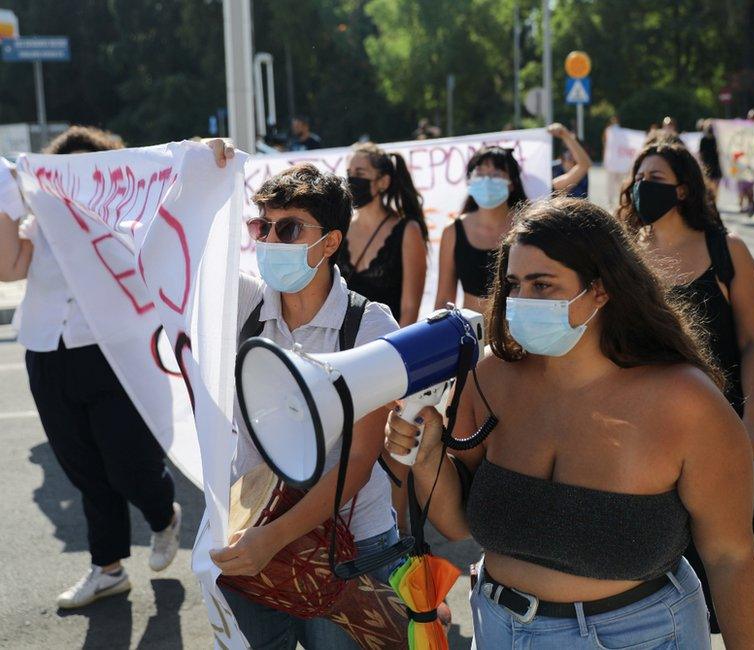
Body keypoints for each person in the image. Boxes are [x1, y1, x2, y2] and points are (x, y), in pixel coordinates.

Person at [387, 197, 754, 649]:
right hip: (498, 629)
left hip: (639, 636)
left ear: (601, 290)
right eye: (514, 284)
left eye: (543, 285)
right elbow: (458, 525)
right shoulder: (489, 378)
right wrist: (428, 457)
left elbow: (731, 557)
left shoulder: (687, 402)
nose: (521, 300)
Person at [208, 143, 403, 648]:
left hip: (349, 547)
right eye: (262, 227)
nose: (269, 239)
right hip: (251, 537)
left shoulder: (370, 324)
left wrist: (272, 540)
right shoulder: (247, 303)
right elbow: (179, 249)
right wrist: (204, 173)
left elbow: (360, 460)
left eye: (288, 228)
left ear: (331, 241)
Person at [618, 139, 754, 633]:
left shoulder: (726, 249)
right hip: (656, 428)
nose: (642, 189)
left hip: (727, 418)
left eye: (655, 180)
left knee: (751, 527)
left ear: (684, 189)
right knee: (675, 549)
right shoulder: (626, 258)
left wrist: (752, 416)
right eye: (638, 178)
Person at [0, 126, 180, 609]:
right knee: (81, 464)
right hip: (46, 347)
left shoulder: (128, 220)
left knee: (129, 463)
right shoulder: (39, 222)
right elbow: (9, 268)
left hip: (114, 351)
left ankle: (162, 516)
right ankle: (108, 569)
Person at [338, 142, 428, 326]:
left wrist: (394, 352)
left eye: (360, 173)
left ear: (383, 182)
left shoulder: (407, 230)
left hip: (388, 345)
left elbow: (410, 309)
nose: (352, 180)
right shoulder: (341, 226)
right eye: (349, 173)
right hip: (343, 347)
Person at [434, 145, 528, 312]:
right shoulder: (453, 231)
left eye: (496, 174)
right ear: (470, 180)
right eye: (480, 173)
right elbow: (443, 301)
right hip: (472, 335)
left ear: (512, 183)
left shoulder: (529, 225)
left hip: (522, 334)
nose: (487, 181)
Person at [549, 122, 592, 198]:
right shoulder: (553, 169)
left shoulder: (583, 172)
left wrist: (565, 135)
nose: (570, 152)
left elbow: (585, 164)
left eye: (573, 148)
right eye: (567, 148)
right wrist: (564, 135)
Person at [698, 120, 723, 204]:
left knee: (716, 185)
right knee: (710, 185)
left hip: (716, 166)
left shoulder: (717, 139)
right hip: (707, 166)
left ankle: (715, 201)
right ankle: (712, 200)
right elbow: (701, 153)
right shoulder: (703, 140)